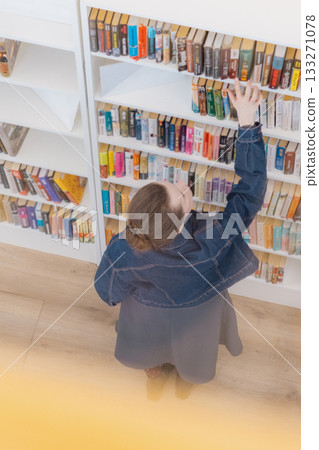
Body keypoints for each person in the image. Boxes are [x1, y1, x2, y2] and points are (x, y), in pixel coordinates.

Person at [94, 78, 267, 398]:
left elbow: (108, 293)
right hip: (198, 314)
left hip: (146, 316)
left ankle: (154, 376)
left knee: (150, 347)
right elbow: (250, 191)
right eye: (183, 197)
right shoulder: (216, 234)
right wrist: (247, 123)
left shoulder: (124, 249)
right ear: (179, 222)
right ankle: (186, 382)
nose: (186, 188)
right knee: (192, 353)